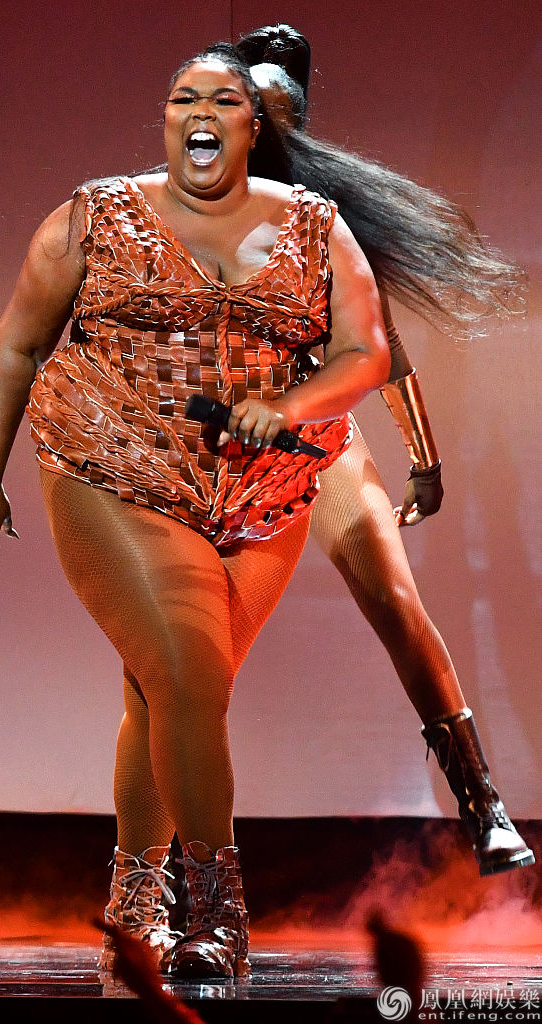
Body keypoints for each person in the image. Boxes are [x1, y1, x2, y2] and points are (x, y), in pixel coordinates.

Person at [0, 44, 391, 978]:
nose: (200, 113)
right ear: (166, 120)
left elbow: (366, 354)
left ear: (252, 126)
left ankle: (131, 906)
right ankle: (219, 915)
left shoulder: (315, 226)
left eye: (223, 101)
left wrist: (290, 406)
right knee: (190, 673)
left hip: (261, 494)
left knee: (163, 689)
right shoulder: (93, 217)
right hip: (111, 466)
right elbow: (18, 346)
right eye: (181, 98)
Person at [234, 24, 534, 877]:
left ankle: (486, 809)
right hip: (228, 451)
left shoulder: (327, 225)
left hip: (322, 440)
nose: (270, 129)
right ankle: (168, 864)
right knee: (186, 647)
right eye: (258, 114)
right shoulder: (196, 216)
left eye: (282, 116)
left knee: (397, 601)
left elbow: (384, 349)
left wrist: (425, 460)